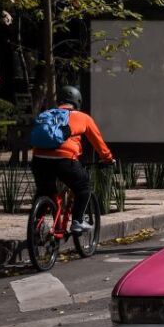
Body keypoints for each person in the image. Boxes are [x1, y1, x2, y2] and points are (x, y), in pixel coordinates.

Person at [30, 86, 114, 233]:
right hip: (65, 160)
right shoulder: (83, 117)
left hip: (39, 159)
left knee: (45, 191)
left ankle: (37, 224)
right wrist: (107, 158)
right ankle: (78, 221)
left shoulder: (46, 114)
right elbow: (98, 143)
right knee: (83, 187)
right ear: (77, 102)